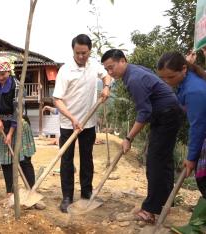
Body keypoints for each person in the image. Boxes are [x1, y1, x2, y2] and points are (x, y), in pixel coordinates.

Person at [101, 49, 181, 224]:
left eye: (112, 67)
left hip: (166, 115)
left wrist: (128, 138)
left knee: (154, 161)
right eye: (107, 69)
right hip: (168, 113)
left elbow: (144, 112)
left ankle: (150, 210)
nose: (110, 73)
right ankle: (165, 203)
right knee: (164, 160)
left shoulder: (134, 79)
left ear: (123, 61)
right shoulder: (134, 70)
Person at [53, 34, 111, 213]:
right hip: (68, 124)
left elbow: (106, 75)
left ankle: (86, 193)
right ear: (73, 50)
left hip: (88, 123)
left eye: (84, 53)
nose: (81, 57)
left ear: (89, 51)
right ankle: (67, 197)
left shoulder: (94, 65)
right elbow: (57, 99)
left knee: (87, 158)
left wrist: (107, 87)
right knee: (67, 161)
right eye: (78, 53)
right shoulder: (65, 70)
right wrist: (72, 118)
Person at [0, 56, 44, 209]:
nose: (0, 77)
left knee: (24, 160)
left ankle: (32, 192)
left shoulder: (17, 85)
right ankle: (10, 193)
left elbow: (18, 111)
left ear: (9, 71)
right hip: (0, 126)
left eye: (3, 74)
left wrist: (10, 133)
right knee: (6, 161)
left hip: (18, 125)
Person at [157, 51, 206, 233]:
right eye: (163, 77)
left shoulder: (195, 90)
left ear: (184, 69)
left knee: (204, 179)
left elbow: (198, 127)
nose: (167, 81)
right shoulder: (188, 78)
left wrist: (191, 158)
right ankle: (197, 225)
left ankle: (197, 227)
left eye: (171, 76)